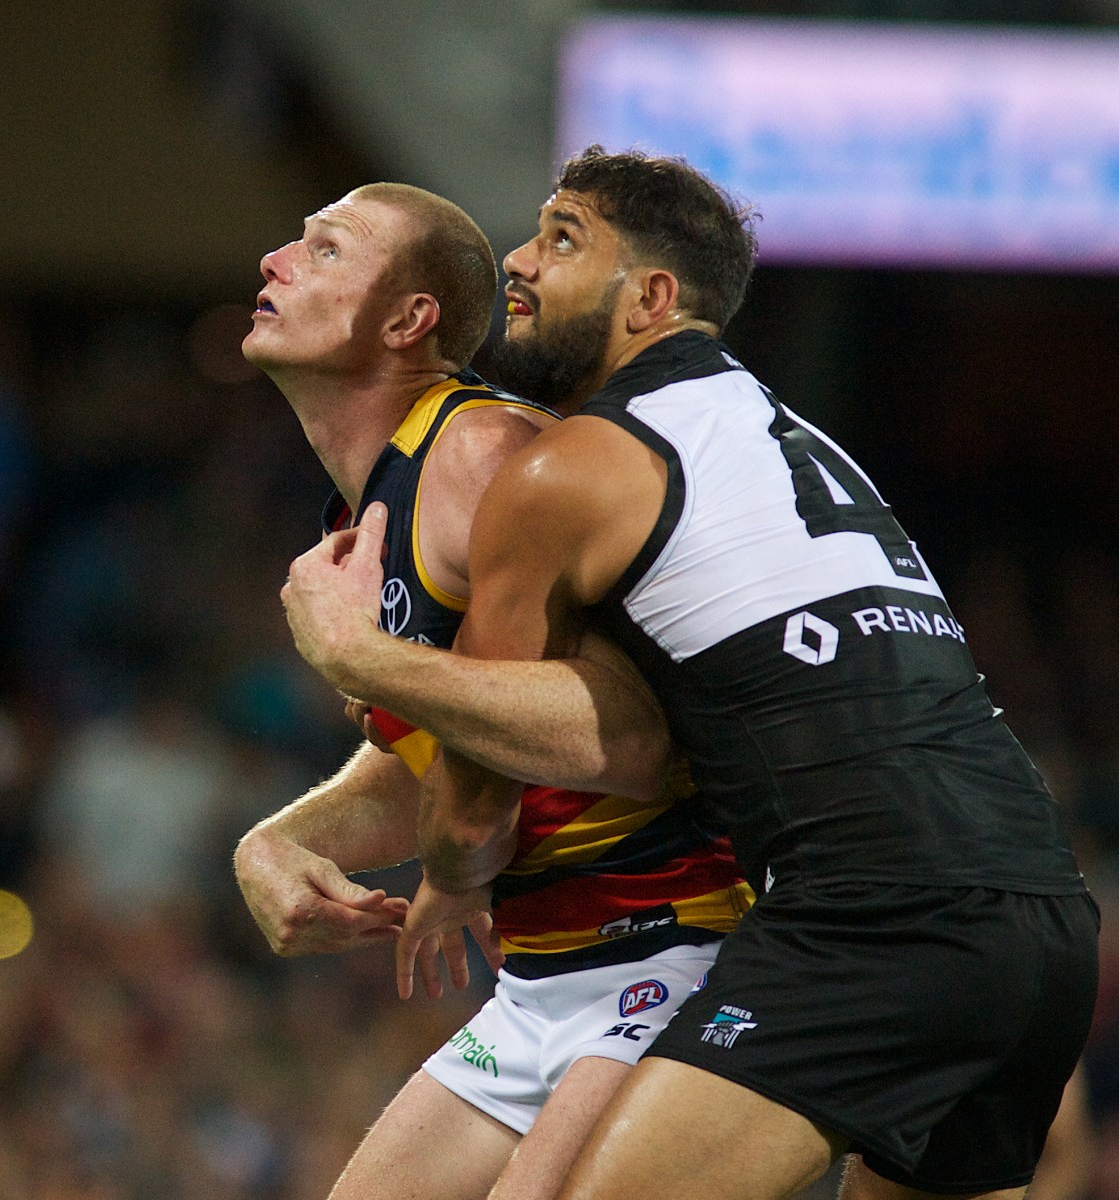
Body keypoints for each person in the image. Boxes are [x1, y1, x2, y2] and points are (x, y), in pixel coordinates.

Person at [278, 147, 1099, 1200]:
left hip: (869, 919)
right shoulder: (795, 439)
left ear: (652, 298)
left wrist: (357, 659)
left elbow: (479, 807)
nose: (520, 262)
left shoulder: (565, 466)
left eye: (563, 238)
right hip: (1045, 916)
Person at [234, 179, 752, 1200]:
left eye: (325, 249)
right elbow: (453, 739)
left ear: (408, 318)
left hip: (675, 949)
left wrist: (456, 852)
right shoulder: (371, 495)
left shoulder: (477, 452)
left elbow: (629, 734)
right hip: (542, 979)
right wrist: (278, 841)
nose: (275, 263)